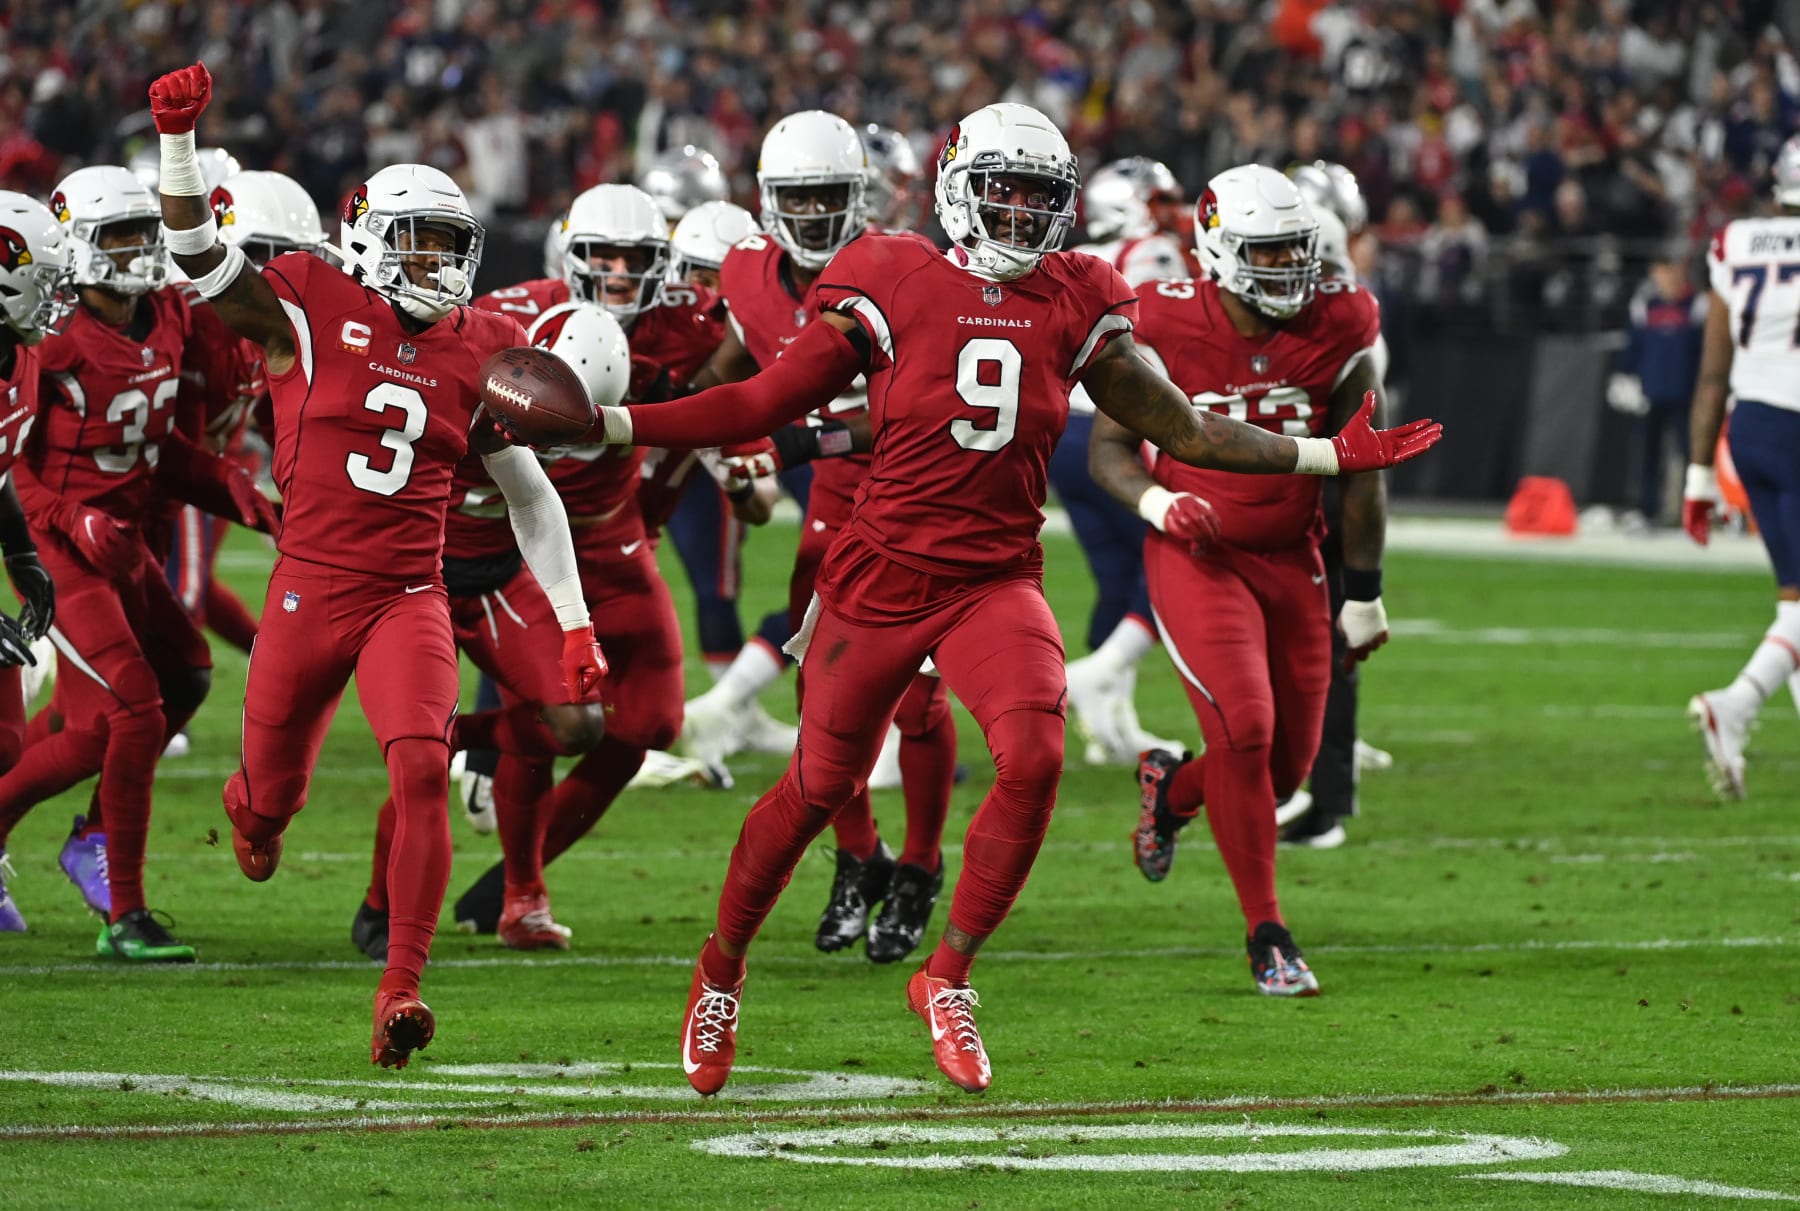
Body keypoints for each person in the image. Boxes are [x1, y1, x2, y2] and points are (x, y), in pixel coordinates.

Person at [584, 103, 1440, 1094]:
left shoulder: (1076, 295)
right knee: (818, 787)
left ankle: (946, 976)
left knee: (1033, 754)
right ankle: (721, 968)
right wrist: (613, 423)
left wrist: (1330, 452)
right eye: (1007, 188)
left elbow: (1188, 427)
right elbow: (756, 401)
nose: (1025, 211)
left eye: (1042, 193)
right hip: (883, 572)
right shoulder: (891, 273)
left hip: (997, 575)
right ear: (959, 185)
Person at [147, 62, 604, 1066]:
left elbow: (530, 491)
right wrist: (177, 141)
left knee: (422, 772)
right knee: (270, 809)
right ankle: (253, 814)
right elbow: (190, 248)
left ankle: (400, 988)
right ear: (364, 239)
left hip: (409, 595)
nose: (436, 264)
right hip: (310, 590)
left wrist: (573, 622)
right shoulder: (308, 302)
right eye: (418, 242)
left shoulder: (478, 344)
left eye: (450, 246)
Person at [1092, 164, 1398, 996]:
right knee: (1248, 730)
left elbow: (1361, 469)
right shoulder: (1160, 319)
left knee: (1286, 770)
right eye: (1267, 254)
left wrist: (1363, 590)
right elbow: (1108, 451)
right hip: (1200, 554)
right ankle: (1268, 933)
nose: (1289, 270)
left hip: (1292, 556)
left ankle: (1171, 788)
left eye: (1295, 251)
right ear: (1217, 254)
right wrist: (1159, 504)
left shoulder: (1339, 321)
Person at [682, 111, 960, 964]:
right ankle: (858, 852)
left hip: (915, 495)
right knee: (819, 694)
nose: (809, 214)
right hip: (837, 508)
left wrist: (789, 443)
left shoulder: (903, 270)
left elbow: (906, 419)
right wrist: (717, 443)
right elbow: (725, 371)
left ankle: (917, 865)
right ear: (767, 200)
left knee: (915, 693)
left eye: (827, 196)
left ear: (861, 197)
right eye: (795, 197)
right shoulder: (747, 274)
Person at [0, 165, 273, 961]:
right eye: (120, 238)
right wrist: (69, 518)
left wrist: (228, 485)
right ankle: (124, 911)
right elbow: (13, 466)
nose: (140, 253)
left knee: (184, 677)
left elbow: (157, 450)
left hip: (122, 540)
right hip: (64, 546)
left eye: (145, 234)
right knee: (133, 710)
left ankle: (86, 837)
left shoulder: (167, 318)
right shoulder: (44, 339)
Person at [444, 184, 731, 938]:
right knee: (558, 716)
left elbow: (743, 380)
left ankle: (471, 745)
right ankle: (520, 892)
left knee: (654, 723)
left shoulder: (686, 327)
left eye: (634, 258)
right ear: (568, 257)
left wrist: (755, 447)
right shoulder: (514, 316)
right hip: (528, 548)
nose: (615, 270)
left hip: (620, 534)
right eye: (600, 255)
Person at [1056, 157, 1192, 766]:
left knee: (1116, 573)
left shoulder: (1074, 257)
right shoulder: (1153, 254)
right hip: (1116, 429)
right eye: (1158, 200)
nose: (1169, 214)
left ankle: (1112, 723)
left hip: (1062, 433)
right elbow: (1171, 339)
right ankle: (1102, 673)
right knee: (1174, 562)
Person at [1276, 158, 1394, 848]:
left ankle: (1319, 794)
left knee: (1325, 636)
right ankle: (1312, 787)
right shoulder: (1344, 292)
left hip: (1314, 467)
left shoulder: (1343, 304)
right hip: (1317, 466)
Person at [1684, 135, 1800, 800]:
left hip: (1749, 425)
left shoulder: (1738, 242)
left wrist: (1697, 475)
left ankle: (1740, 709)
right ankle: (1737, 703)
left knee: (1796, 597)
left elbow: (1711, 373)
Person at [0, 191, 75, 935]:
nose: (57, 300)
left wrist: (23, 553)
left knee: (6, 739)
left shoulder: (20, 355)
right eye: (47, 279)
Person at [1610, 247, 1704, 530]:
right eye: (1660, 272)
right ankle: (1646, 509)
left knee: (1692, 455)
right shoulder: (1645, 306)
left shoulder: (1697, 306)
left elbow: (1703, 354)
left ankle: (1695, 513)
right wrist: (1623, 375)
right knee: (1647, 455)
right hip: (1651, 392)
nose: (1665, 278)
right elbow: (1633, 347)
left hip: (1685, 394)